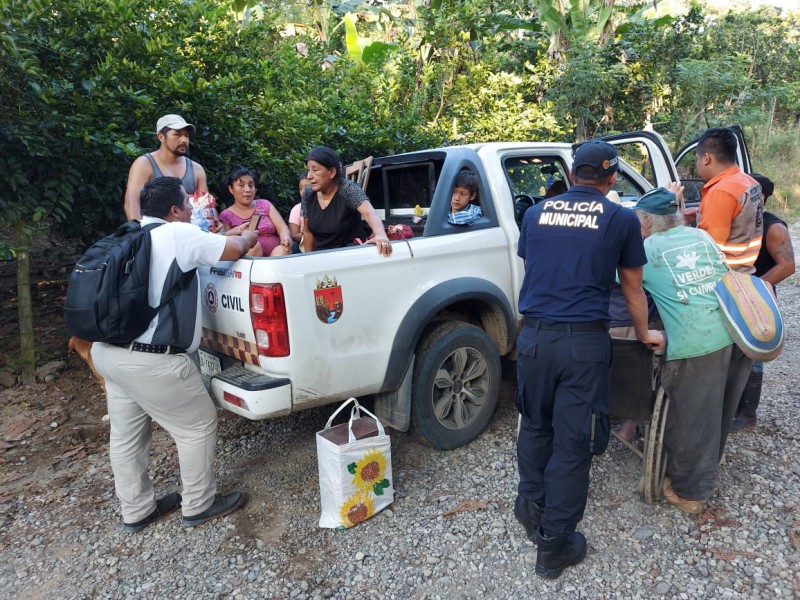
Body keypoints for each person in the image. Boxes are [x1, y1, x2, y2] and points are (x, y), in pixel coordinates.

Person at [514, 140, 663, 579]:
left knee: (536, 425)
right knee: (573, 443)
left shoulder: (535, 213)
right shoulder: (619, 218)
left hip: (534, 338)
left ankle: (531, 508)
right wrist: (644, 334)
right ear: (612, 177)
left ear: (573, 173)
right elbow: (633, 288)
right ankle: (554, 546)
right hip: (583, 345)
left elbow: (534, 269)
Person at [91, 176, 259, 532]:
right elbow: (234, 249)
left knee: (125, 436)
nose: (191, 209)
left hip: (108, 353)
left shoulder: (130, 234)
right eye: (187, 203)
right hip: (151, 360)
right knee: (197, 426)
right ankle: (198, 505)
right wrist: (249, 235)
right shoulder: (177, 233)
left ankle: (136, 510)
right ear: (175, 210)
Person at [634, 187, 753, 515]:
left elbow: (620, 282)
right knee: (720, 409)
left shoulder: (648, 249)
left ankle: (691, 494)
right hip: (736, 331)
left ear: (648, 222)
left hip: (697, 342)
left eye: (639, 223)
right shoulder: (700, 237)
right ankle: (710, 461)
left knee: (688, 419)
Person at [731, 173, 796, 431]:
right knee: (735, 353)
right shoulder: (745, 222)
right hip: (738, 296)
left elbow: (788, 266)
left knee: (752, 355)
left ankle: (748, 416)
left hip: (757, 299)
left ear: (761, 197)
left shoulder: (773, 227)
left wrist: (755, 289)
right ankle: (733, 408)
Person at [692, 127, 763, 274]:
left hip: (725, 276)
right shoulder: (749, 182)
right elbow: (740, 220)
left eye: (697, 160)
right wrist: (699, 214)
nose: (697, 165)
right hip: (745, 270)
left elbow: (709, 249)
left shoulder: (721, 192)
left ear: (706, 158)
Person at [301, 146, 391, 256]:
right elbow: (307, 232)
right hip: (321, 257)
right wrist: (308, 260)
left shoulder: (347, 189)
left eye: (315, 170)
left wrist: (380, 235)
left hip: (349, 255)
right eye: (308, 170)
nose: (309, 176)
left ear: (332, 172)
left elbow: (369, 213)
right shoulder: (308, 193)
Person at [124, 114, 209, 222]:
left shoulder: (196, 169)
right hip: (154, 233)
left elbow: (205, 205)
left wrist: (213, 221)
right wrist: (139, 232)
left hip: (189, 233)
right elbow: (131, 202)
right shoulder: (144, 164)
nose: (184, 140)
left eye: (186, 135)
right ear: (161, 137)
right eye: (177, 134)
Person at [218, 166, 292, 257]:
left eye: (251, 185)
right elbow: (227, 245)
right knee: (252, 246)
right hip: (246, 262)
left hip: (276, 257)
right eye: (241, 185)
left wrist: (285, 237)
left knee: (283, 249)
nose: (248, 190)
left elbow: (282, 227)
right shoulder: (225, 216)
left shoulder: (265, 204)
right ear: (231, 189)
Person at [289, 173, 311, 252]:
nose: (303, 191)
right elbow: (293, 235)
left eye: (306, 187)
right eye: (300, 188)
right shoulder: (296, 209)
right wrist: (303, 233)